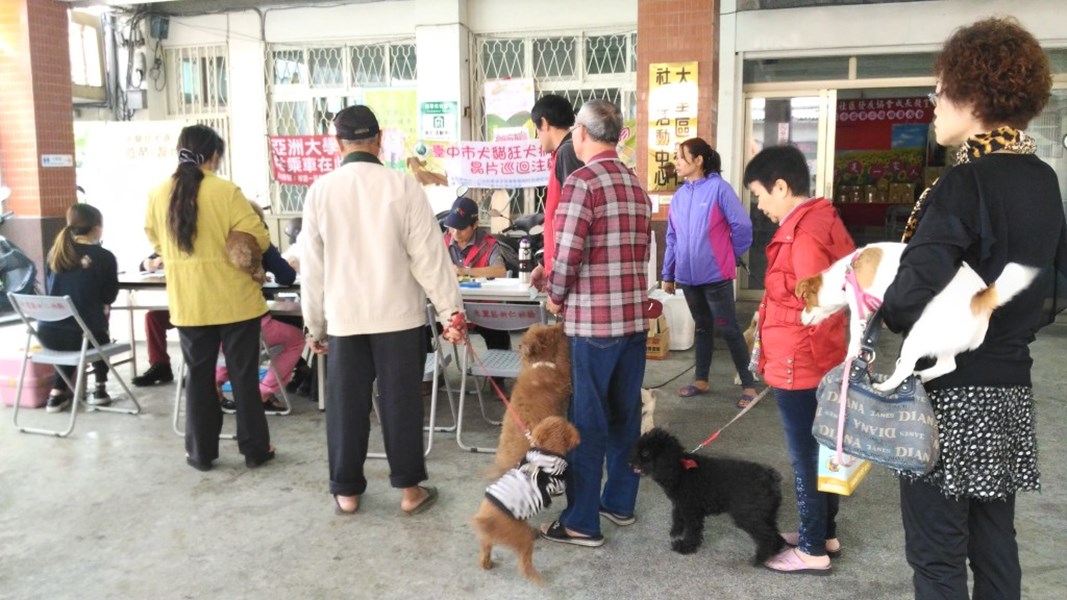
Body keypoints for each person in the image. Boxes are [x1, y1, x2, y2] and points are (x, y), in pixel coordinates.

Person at [880, 18, 1062, 599]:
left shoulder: (962, 184)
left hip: (948, 397)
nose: (932, 102)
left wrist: (885, 305)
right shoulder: (1043, 181)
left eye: (939, 88)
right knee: (995, 543)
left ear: (973, 93)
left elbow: (907, 301)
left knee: (936, 554)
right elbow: (1049, 289)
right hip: (1008, 390)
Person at [301, 105, 465, 516]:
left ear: (338, 143)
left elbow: (313, 271)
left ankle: (347, 492)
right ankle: (410, 492)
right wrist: (451, 313)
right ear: (379, 140)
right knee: (400, 404)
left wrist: (315, 328)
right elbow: (429, 257)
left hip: (344, 319)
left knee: (345, 407)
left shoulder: (320, 191)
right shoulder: (403, 186)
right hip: (399, 319)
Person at [539, 99, 651, 547]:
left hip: (592, 328)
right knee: (626, 417)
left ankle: (581, 521)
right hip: (632, 324)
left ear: (581, 134)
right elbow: (635, 252)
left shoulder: (582, 182)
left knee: (585, 423)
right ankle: (619, 502)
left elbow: (567, 257)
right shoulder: (633, 181)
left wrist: (554, 294)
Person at [742, 144, 855, 573]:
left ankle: (811, 548)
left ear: (782, 186)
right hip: (821, 356)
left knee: (805, 455)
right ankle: (822, 531)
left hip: (801, 359)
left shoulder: (802, 233)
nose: (760, 205)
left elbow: (817, 304)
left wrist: (774, 307)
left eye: (759, 194)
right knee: (822, 449)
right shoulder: (822, 219)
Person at [144, 124, 275, 472]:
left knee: (199, 379)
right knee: (243, 377)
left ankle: (200, 453)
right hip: (235, 301)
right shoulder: (226, 190)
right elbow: (258, 237)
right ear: (214, 155)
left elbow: (155, 240)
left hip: (190, 303)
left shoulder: (158, 193)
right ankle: (255, 450)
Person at [661, 137, 757, 407]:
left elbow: (742, 226)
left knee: (728, 329)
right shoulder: (679, 197)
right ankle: (701, 379)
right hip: (688, 277)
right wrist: (668, 274)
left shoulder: (719, 189)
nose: (676, 162)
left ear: (699, 160)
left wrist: (730, 254)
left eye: (681, 156)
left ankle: (748, 384)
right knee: (702, 327)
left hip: (716, 276)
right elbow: (672, 237)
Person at [216, 201, 305, 415]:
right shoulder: (257, 241)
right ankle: (264, 391)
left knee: (229, 343)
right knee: (295, 339)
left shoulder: (211, 241)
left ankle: (216, 382)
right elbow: (286, 276)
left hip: (209, 324)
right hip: (250, 320)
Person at [37, 204, 118, 413]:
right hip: (82, 336)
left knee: (77, 330)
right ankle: (100, 389)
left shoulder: (55, 253)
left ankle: (56, 393)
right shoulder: (104, 256)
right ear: (97, 228)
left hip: (46, 334)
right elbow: (110, 297)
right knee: (93, 333)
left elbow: (52, 291)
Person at [443, 195, 511, 354]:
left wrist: (464, 271)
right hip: (450, 306)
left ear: (475, 225)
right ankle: (431, 373)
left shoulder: (489, 244)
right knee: (423, 327)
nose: (455, 233)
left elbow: (500, 271)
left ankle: (498, 375)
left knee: (498, 332)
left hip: (481, 307)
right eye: (452, 227)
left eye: (461, 228)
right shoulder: (443, 242)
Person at [529, 94, 584, 291]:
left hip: (569, 275)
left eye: (536, 129)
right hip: (560, 269)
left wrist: (560, 284)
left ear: (544, 123)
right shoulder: (563, 152)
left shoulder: (567, 153)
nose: (537, 137)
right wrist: (545, 265)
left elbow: (573, 218)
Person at [130, 253, 175, 387]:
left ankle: (196, 370)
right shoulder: (168, 241)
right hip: (179, 304)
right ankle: (160, 365)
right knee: (153, 317)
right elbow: (146, 262)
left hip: (202, 303)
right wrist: (148, 263)